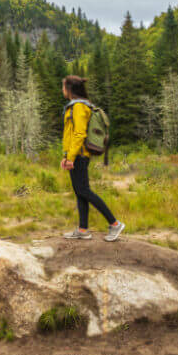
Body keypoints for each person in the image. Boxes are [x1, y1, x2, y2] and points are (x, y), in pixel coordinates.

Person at [60, 75, 125, 241]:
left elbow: (80, 133)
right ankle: (83, 230)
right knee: (80, 192)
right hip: (75, 155)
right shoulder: (75, 106)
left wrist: (72, 157)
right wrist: (66, 156)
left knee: (84, 191)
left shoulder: (80, 107)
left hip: (80, 156)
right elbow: (70, 134)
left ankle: (115, 224)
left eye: (63, 86)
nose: (62, 90)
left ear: (69, 89)